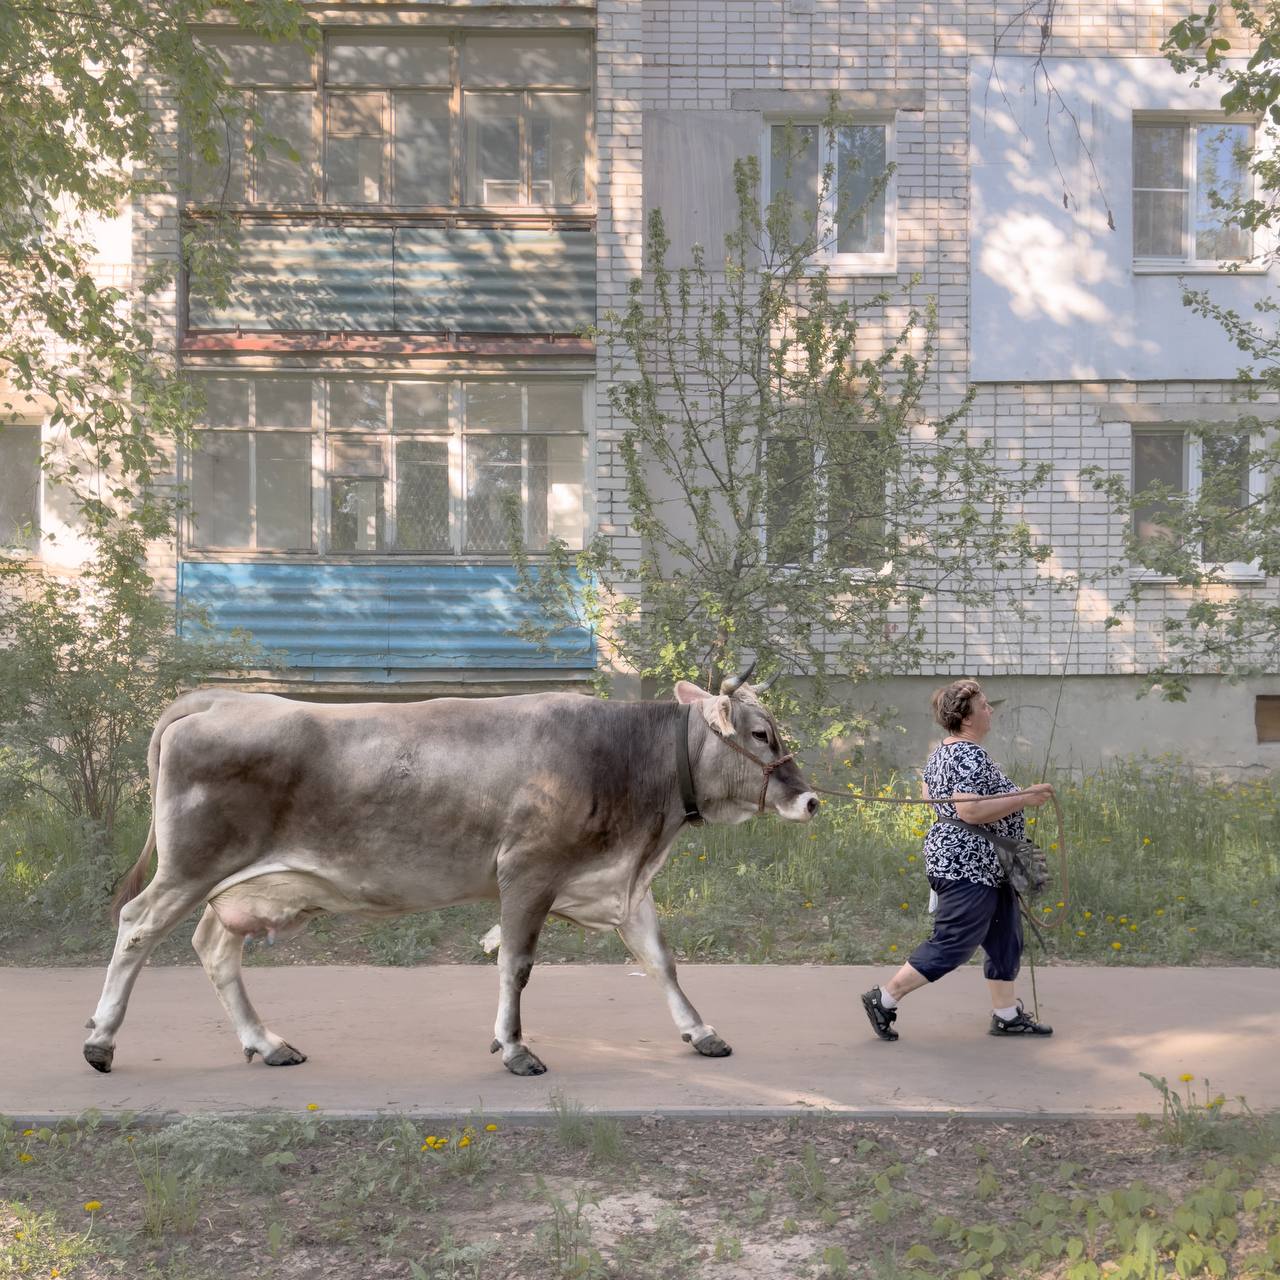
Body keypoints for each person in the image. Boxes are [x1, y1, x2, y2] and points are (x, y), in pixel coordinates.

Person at [861, 678, 1055, 1041]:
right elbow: (969, 810)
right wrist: (1024, 797)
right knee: (953, 941)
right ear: (967, 718)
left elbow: (931, 795)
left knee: (1004, 938)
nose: (990, 710)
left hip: (986, 866)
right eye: (984, 706)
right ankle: (884, 999)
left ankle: (1007, 1014)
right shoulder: (969, 754)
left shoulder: (940, 754)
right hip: (968, 865)